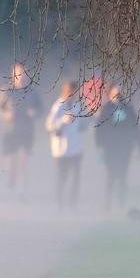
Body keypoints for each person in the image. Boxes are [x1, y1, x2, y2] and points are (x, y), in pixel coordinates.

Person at [0, 63, 43, 201]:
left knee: (24, 162)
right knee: (10, 164)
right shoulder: (6, 90)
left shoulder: (33, 92)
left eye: (24, 74)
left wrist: (34, 113)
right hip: (9, 131)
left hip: (27, 131)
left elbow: (41, 110)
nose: (22, 77)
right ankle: (10, 184)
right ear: (13, 75)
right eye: (19, 74)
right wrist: (6, 115)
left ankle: (21, 192)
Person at [95, 84, 140, 210]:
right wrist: (99, 145)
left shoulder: (128, 109)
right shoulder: (105, 109)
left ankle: (121, 204)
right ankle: (108, 204)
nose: (118, 97)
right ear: (110, 94)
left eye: (120, 94)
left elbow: (136, 128)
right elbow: (99, 129)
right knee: (111, 176)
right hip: (110, 148)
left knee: (123, 176)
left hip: (125, 148)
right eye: (115, 94)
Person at [45, 81, 88, 211]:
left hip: (75, 148)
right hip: (61, 150)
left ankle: (73, 204)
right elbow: (49, 126)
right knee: (62, 177)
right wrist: (62, 121)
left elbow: (83, 124)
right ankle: (59, 203)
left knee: (76, 178)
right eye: (71, 92)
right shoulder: (58, 106)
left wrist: (87, 120)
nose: (74, 95)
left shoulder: (78, 105)